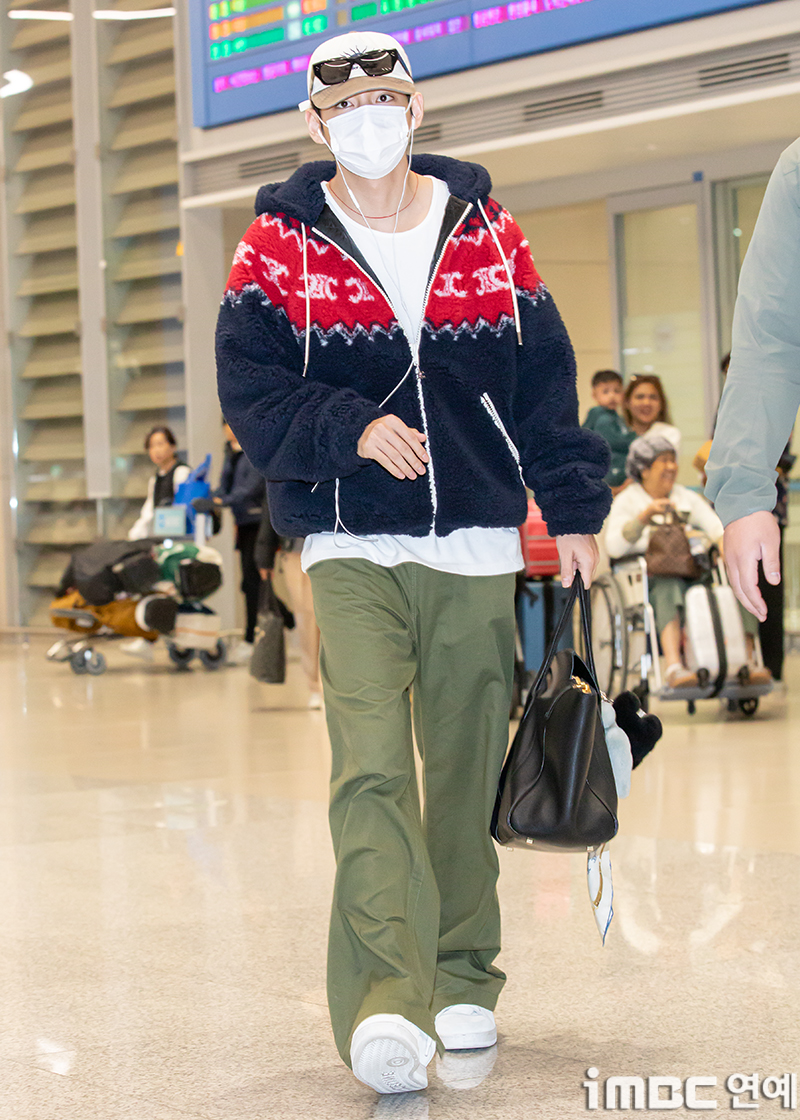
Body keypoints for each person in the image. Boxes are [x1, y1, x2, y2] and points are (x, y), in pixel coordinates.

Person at [216, 30, 610, 1096]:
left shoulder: (486, 229)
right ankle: (386, 999)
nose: (367, 121)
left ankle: (462, 970)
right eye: (343, 109)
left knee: (465, 761)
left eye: (384, 100)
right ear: (312, 124)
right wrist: (347, 427)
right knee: (373, 765)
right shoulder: (276, 244)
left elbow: (542, 378)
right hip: (348, 539)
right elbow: (250, 390)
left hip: (474, 540)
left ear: (417, 107)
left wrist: (573, 505)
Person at [605, 434, 768, 688]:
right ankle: (674, 666)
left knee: (736, 583)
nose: (672, 467)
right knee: (668, 586)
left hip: (693, 571)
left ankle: (748, 661)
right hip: (651, 578)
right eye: (664, 461)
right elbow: (614, 546)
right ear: (644, 469)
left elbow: (715, 527)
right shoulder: (628, 500)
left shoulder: (684, 497)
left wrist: (724, 545)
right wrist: (645, 517)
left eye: (673, 460)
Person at [254, 500, 322, 709]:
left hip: (339, 545)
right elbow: (272, 502)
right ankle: (316, 686)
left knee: (338, 619)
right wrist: (264, 554)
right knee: (308, 619)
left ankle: (338, 684)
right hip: (297, 550)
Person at [213, 421, 265, 664]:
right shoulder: (231, 453)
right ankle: (285, 619)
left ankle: (251, 637)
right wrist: (212, 497)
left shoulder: (253, 450)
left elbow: (250, 488)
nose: (229, 428)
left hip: (257, 522)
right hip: (242, 523)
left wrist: (223, 501)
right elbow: (224, 486)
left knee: (253, 582)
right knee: (251, 582)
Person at [128, 426, 191, 540]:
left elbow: (183, 507)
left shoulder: (182, 472)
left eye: (160, 444)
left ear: (173, 447)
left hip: (180, 535)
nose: (156, 450)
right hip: (162, 535)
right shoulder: (155, 479)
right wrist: (134, 535)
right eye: (151, 446)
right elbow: (148, 512)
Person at [582, 369, 635, 492]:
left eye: (617, 391)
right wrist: (636, 438)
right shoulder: (602, 417)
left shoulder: (616, 417)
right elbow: (613, 441)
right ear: (594, 395)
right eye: (605, 391)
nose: (612, 396)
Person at [623, 374, 681, 453]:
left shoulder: (669, 434)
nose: (646, 403)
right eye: (640, 397)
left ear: (661, 404)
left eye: (653, 397)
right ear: (627, 402)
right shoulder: (617, 433)